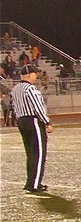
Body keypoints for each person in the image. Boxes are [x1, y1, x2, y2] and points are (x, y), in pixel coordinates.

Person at [12, 64, 54, 192]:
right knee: (39, 153)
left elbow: (14, 107)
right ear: (30, 74)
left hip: (22, 121)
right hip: (33, 121)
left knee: (30, 154)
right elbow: (38, 107)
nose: (36, 76)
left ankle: (31, 182)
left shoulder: (15, 89)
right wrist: (47, 122)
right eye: (35, 74)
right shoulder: (31, 89)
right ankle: (35, 184)